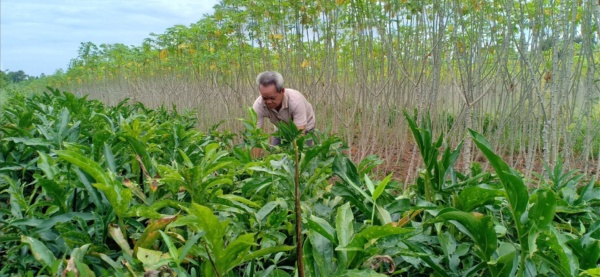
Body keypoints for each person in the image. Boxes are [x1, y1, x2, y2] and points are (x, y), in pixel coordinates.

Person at [251, 71, 315, 156]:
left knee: (302, 156)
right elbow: (256, 136)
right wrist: (253, 164)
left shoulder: (295, 101)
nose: (268, 102)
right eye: (264, 98)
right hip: (281, 129)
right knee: (274, 156)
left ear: (282, 91)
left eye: (272, 98)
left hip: (305, 127)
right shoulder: (258, 106)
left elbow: (299, 135)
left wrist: (295, 159)